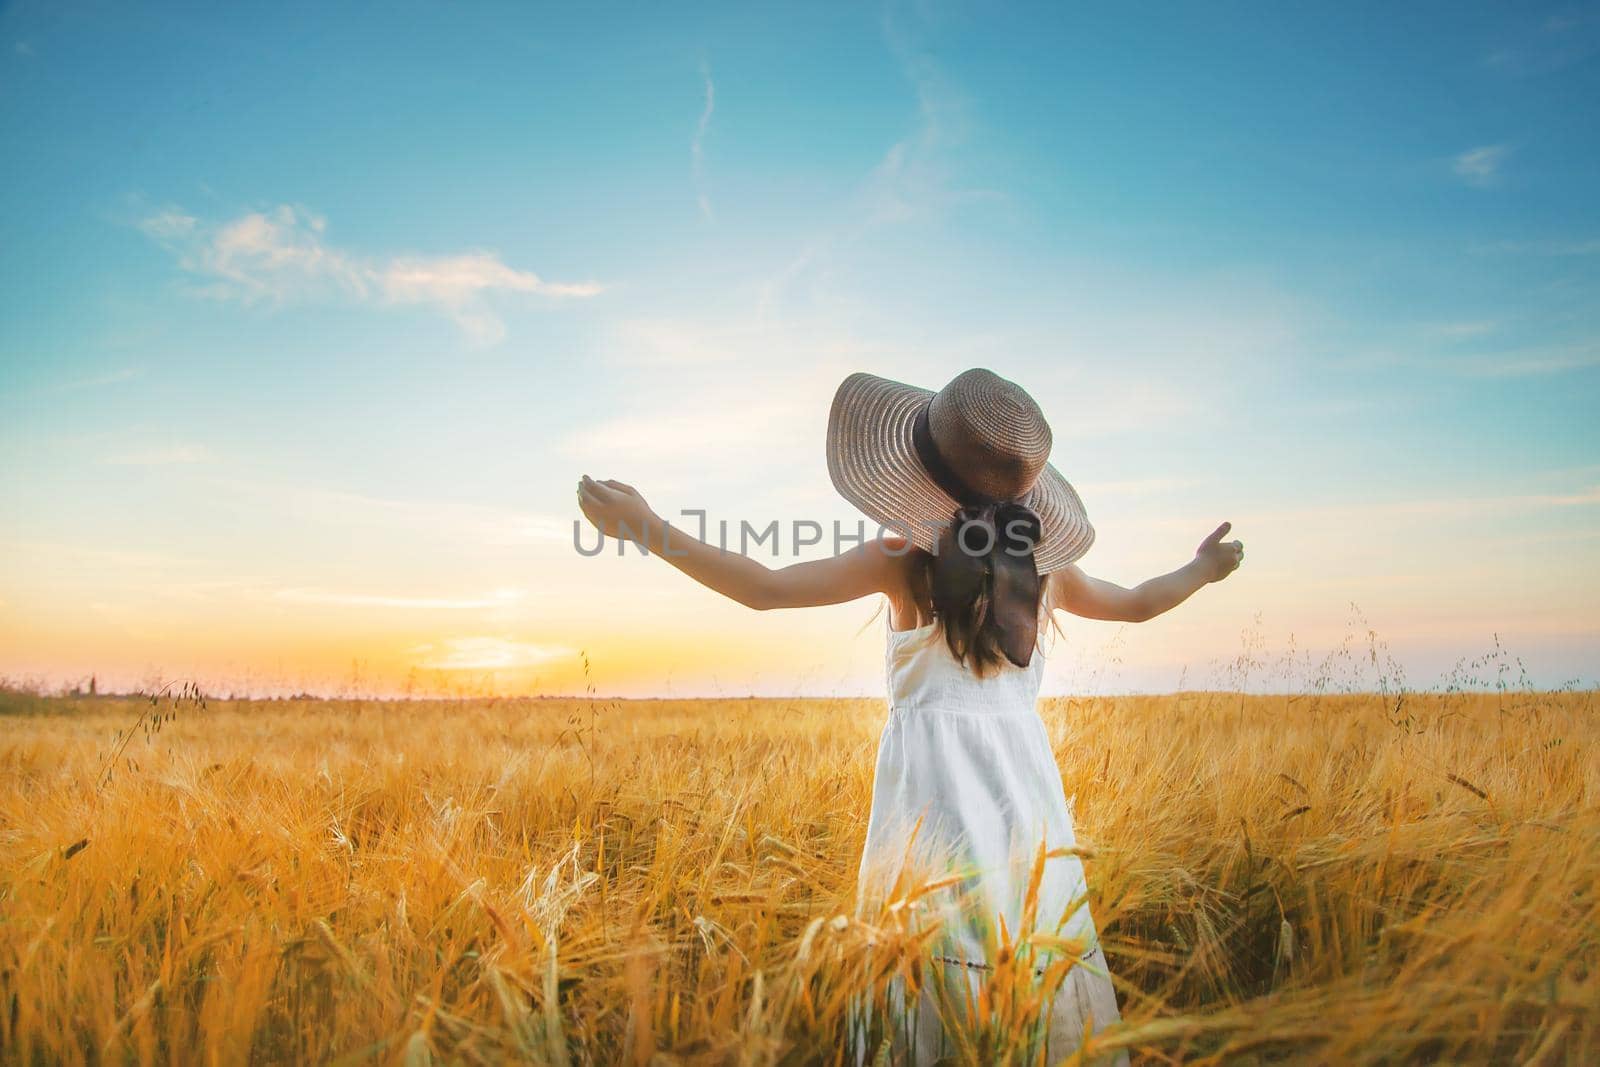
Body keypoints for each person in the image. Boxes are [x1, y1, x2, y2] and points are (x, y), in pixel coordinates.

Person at [577, 368, 1244, 1063]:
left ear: (921, 477)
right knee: (1033, 935)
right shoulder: (1045, 573)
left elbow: (765, 589)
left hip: (931, 806)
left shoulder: (902, 560)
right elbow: (1138, 601)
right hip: (1027, 802)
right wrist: (1203, 567)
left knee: (933, 949)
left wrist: (650, 529)